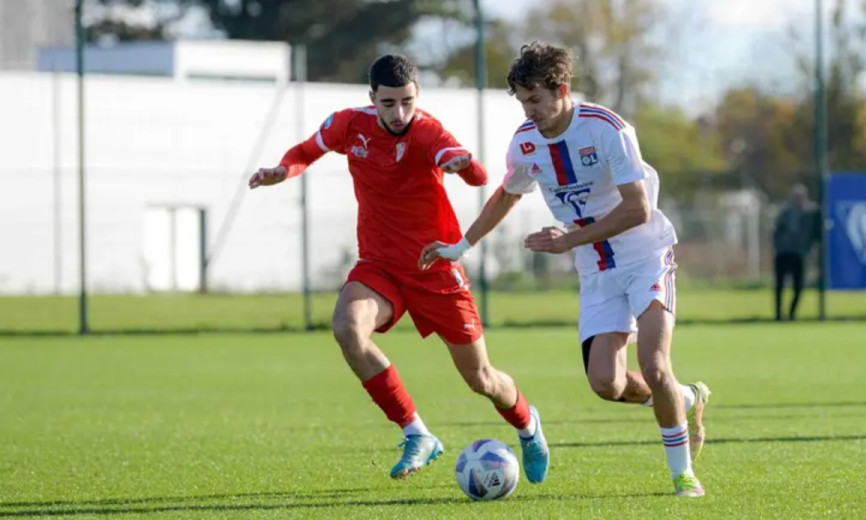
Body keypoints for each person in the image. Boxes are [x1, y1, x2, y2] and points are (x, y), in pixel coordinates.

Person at [421, 42, 710, 497]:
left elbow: (637, 209)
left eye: (535, 98)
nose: (528, 109)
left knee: (654, 364)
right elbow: (507, 194)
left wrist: (568, 239)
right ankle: (684, 397)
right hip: (597, 270)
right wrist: (461, 245)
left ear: (562, 88)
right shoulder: (526, 141)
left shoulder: (607, 129)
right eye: (522, 100)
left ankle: (683, 475)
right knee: (605, 384)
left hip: (644, 256)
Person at [248, 54, 549, 483]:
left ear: (417, 95)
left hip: (435, 268)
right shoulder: (348, 124)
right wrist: (283, 169)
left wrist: (463, 165)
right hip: (380, 266)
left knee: (481, 379)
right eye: (388, 103)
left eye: (406, 101)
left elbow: (481, 178)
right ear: (373, 98)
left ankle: (527, 424)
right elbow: (305, 151)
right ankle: (417, 433)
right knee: (348, 329)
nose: (399, 113)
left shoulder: (428, 131)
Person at [773, 184, 818, 321]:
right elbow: (777, 231)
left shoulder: (810, 213)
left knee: (798, 286)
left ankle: (792, 314)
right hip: (783, 253)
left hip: (799, 254)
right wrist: (778, 246)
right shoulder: (785, 212)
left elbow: (814, 231)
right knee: (779, 285)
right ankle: (779, 314)